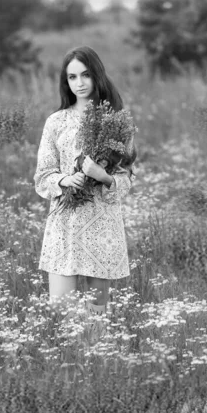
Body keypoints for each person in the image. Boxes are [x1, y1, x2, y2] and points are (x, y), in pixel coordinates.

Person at [34, 46, 136, 332]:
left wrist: (100, 175)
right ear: (65, 82)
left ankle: (96, 360)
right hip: (64, 222)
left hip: (100, 222)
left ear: (97, 76)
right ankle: (68, 362)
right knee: (60, 308)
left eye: (86, 75)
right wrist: (66, 181)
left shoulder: (115, 122)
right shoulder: (56, 122)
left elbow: (126, 179)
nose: (79, 83)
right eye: (72, 77)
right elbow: (43, 176)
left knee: (96, 314)